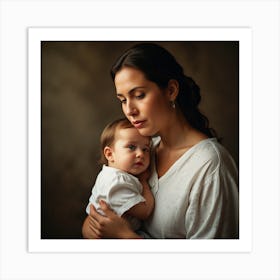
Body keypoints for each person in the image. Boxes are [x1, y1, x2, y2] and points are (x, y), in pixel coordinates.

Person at [82, 42, 239, 239]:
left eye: (139, 95)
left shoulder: (211, 166)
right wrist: (92, 225)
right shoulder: (144, 150)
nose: (129, 110)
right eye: (123, 100)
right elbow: (103, 208)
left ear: (171, 90)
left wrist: (125, 237)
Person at [85, 118, 154, 232]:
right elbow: (145, 211)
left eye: (145, 149)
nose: (141, 154)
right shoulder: (117, 182)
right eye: (131, 147)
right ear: (110, 154)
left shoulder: (110, 175)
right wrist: (144, 182)